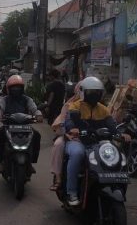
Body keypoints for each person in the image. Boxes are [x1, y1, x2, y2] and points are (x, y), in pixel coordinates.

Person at [63, 76, 118, 206]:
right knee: (77, 154)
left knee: (114, 154)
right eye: (91, 92)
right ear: (83, 92)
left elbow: (112, 125)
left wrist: (120, 133)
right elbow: (69, 121)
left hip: (97, 143)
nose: (94, 95)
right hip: (78, 140)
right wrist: (73, 128)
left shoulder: (103, 109)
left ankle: (115, 186)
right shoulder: (75, 106)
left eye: (97, 92)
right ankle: (72, 192)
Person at [0, 75, 43, 173]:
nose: (16, 90)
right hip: (8, 125)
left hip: (25, 126)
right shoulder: (4, 99)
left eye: (18, 88)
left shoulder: (27, 99)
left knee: (37, 135)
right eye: (14, 88)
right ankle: (1, 161)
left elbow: (34, 108)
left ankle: (31, 162)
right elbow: (0, 108)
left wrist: (38, 115)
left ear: (22, 88)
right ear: (9, 89)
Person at [49, 82, 81, 191]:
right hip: (70, 135)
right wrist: (66, 132)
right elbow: (62, 122)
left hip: (89, 137)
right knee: (58, 145)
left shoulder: (99, 107)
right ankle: (58, 178)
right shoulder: (69, 105)